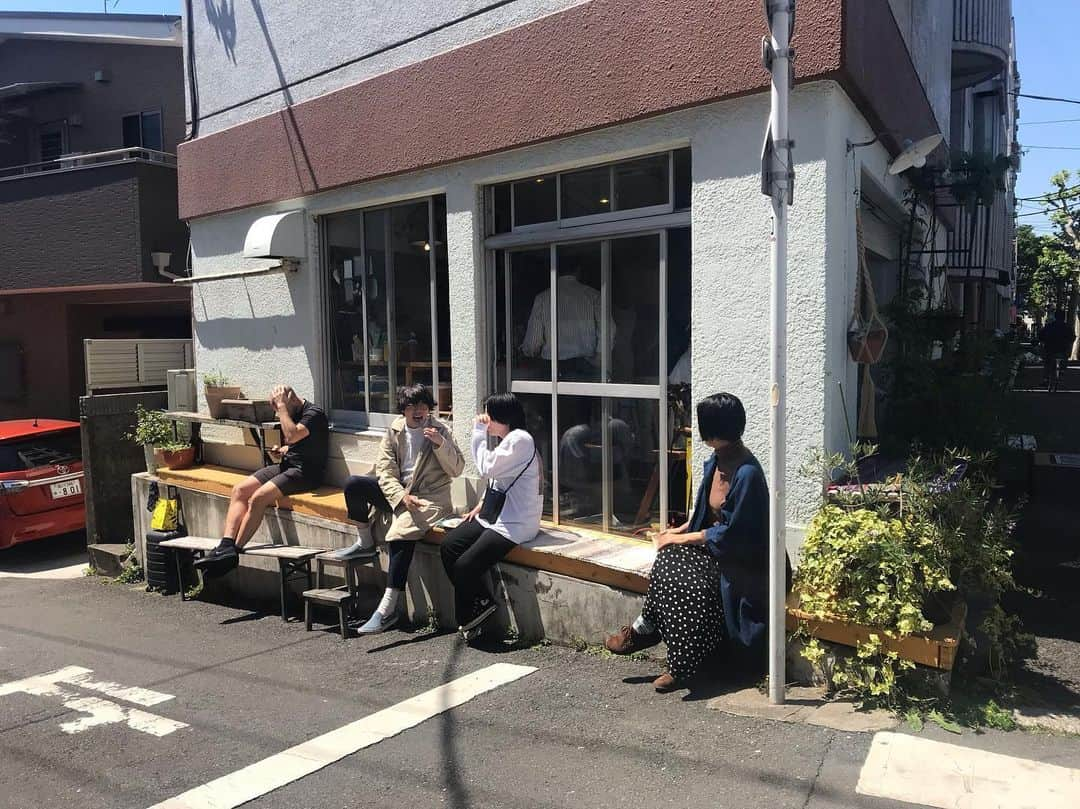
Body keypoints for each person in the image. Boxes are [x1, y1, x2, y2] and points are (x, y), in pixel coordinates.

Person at [604, 392, 788, 693]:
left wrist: (683, 537)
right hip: (719, 550)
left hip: (745, 562)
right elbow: (704, 514)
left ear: (713, 429)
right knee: (667, 558)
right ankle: (650, 633)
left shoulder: (747, 474)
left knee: (683, 578)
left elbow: (735, 533)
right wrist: (675, 533)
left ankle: (673, 658)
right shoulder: (716, 462)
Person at [337, 384, 465, 634]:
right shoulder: (394, 430)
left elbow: (457, 469)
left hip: (430, 497)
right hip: (400, 493)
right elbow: (384, 471)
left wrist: (440, 444)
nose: (419, 411)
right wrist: (400, 497)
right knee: (354, 485)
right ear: (403, 410)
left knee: (400, 533)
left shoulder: (441, 430)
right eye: (412, 406)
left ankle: (386, 610)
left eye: (423, 406)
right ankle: (364, 542)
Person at [196, 385, 329, 576]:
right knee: (240, 490)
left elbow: (292, 435)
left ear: (290, 399)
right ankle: (225, 545)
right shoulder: (291, 412)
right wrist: (282, 450)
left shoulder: (314, 413)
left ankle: (233, 552)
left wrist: (282, 409)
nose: (278, 412)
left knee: (258, 498)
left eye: (279, 406)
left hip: (306, 473)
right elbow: (297, 444)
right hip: (288, 465)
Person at [440, 393, 542, 641]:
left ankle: (470, 618)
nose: (486, 421)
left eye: (489, 416)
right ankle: (482, 603)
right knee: (449, 546)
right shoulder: (509, 439)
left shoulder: (520, 440)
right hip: (495, 515)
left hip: (516, 523)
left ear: (502, 417)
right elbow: (498, 479)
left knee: (465, 566)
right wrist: (482, 503)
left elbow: (487, 468)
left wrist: (477, 432)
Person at [520, 264, 615, 378]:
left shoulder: (542, 298)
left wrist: (528, 352)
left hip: (553, 368)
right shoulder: (593, 295)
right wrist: (599, 358)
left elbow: (533, 342)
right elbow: (609, 329)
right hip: (585, 366)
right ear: (578, 270)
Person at [1038, 311, 1074, 386]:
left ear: (1055, 317)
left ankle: (1046, 379)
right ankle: (1062, 372)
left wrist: (1043, 341)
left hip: (1049, 348)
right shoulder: (1067, 327)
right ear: (1064, 318)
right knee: (1064, 359)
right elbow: (1072, 338)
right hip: (1063, 349)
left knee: (1047, 363)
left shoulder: (1049, 326)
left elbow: (1041, 336)